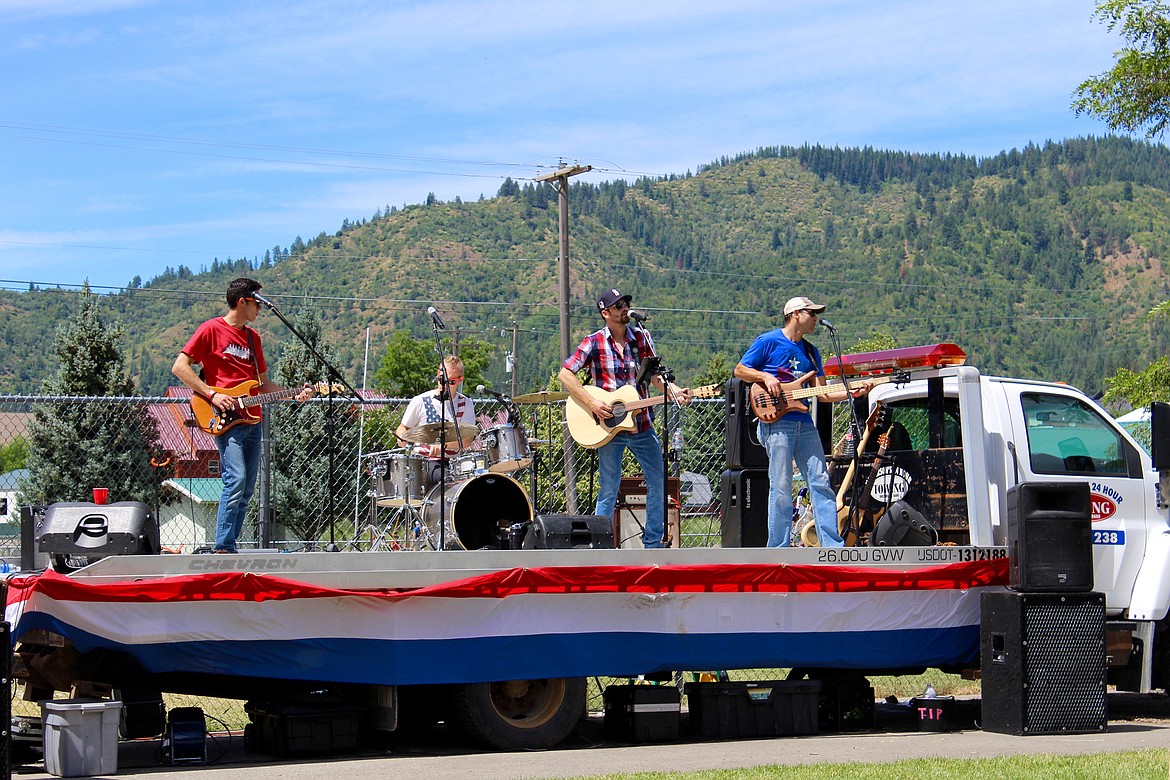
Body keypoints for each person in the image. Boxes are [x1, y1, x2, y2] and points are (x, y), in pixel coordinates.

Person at [172, 278, 314, 553]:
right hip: (226, 419)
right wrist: (212, 395)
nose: (260, 308)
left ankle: (230, 544)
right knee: (235, 480)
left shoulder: (253, 338)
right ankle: (223, 546)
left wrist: (293, 393)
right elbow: (180, 367)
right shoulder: (211, 329)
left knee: (247, 487)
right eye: (257, 302)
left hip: (253, 419)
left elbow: (262, 384)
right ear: (242, 302)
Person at [733, 296, 872, 548]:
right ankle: (778, 548)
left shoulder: (811, 351)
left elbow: (824, 393)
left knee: (820, 481)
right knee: (781, 486)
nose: (816, 319)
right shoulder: (768, 341)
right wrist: (765, 376)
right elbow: (740, 370)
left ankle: (832, 546)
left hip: (804, 422)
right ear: (796, 314)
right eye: (812, 314)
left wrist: (854, 391)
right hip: (777, 422)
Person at [559, 287, 690, 548]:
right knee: (609, 488)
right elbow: (565, 374)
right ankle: (599, 544)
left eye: (626, 303)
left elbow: (655, 377)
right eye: (618, 306)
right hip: (609, 427)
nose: (624, 308)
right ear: (605, 313)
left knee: (658, 482)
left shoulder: (641, 337)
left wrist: (674, 390)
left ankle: (652, 543)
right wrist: (593, 403)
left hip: (642, 425)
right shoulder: (594, 341)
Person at [395, 356, 478, 487]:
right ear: (438, 374)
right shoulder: (420, 400)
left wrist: (443, 445)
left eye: (451, 382)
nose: (445, 385)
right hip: (423, 462)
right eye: (442, 380)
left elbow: (467, 440)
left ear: (460, 380)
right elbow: (403, 427)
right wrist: (401, 437)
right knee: (445, 480)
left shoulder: (466, 403)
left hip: (453, 462)